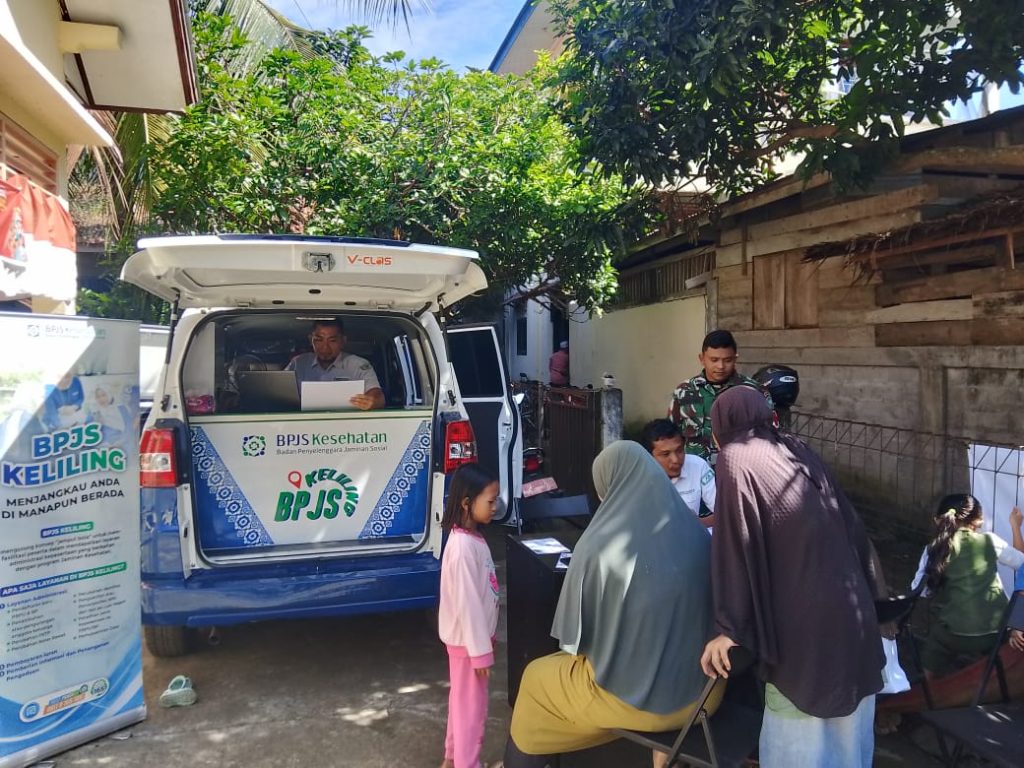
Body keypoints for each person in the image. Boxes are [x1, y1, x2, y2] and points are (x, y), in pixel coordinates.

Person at [503, 441, 717, 768]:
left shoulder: (598, 547)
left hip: (645, 705)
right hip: (706, 693)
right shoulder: (697, 531)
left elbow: (575, 642)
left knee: (535, 681)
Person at [701, 386, 883, 768]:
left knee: (799, 741)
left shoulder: (735, 458)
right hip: (853, 613)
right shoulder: (796, 448)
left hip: (805, 629)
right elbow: (851, 525)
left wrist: (730, 627)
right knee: (848, 742)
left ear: (719, 429)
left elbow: (735, 543)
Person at [910, 495, 1024, 679]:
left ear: (939, 520)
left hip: (955, 635)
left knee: (934, 647)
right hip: (998, 632)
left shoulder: (935, 549)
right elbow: (1022, 564)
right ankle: (996, 680)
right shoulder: (990, 541)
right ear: (978, 521)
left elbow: (919, 590)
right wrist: (1015, 527)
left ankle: (927, 688)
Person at [438, 463, 501, 768]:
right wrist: (480, 654)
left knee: (462, 705)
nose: (495, 507)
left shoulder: (468, 538)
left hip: (469, 643)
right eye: (490, 501)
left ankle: (452, 758)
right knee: (472, 712)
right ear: (466, 502)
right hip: (469, 646)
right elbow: (468, 605)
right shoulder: (463, 548)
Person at [668, 329, 772, 465]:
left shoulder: (752, 391)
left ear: (735, 358)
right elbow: (671, 434)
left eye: (727, 360)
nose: (721, 366)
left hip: (739, 468)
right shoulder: (685, 391)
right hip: (696, 471)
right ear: (702, 359)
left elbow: (769, 435)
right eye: (714, 360)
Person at [285, 318, 385, 410]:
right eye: (319, 340)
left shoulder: (358, 365)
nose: (325, 347)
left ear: (343, 341)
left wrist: (372, 402)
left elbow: (378, 397)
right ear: (311, 340)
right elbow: (280, 392)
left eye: (332, 341)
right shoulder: (298, 363)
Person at [639, 418, 715, 528]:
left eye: (679, 450)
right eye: (665, 454)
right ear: (649, 456)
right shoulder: (637, 479)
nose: (675, 460)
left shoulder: (698, 466)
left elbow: (723, 511)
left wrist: (697, 523)